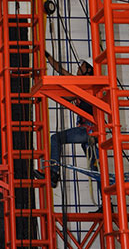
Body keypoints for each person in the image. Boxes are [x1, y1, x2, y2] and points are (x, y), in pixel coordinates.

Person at [34, 53, 97, 191]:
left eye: (82, 66)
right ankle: (107, 205)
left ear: (88, 70)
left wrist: (49, 89)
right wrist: (49, 58)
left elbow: (68, 96)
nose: (78, 67)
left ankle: (54, 173)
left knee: (56, 138)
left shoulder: (89, 86)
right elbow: (62, 71)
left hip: (88, 130)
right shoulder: (82, 84)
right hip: (88, 131)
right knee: (96, 169)